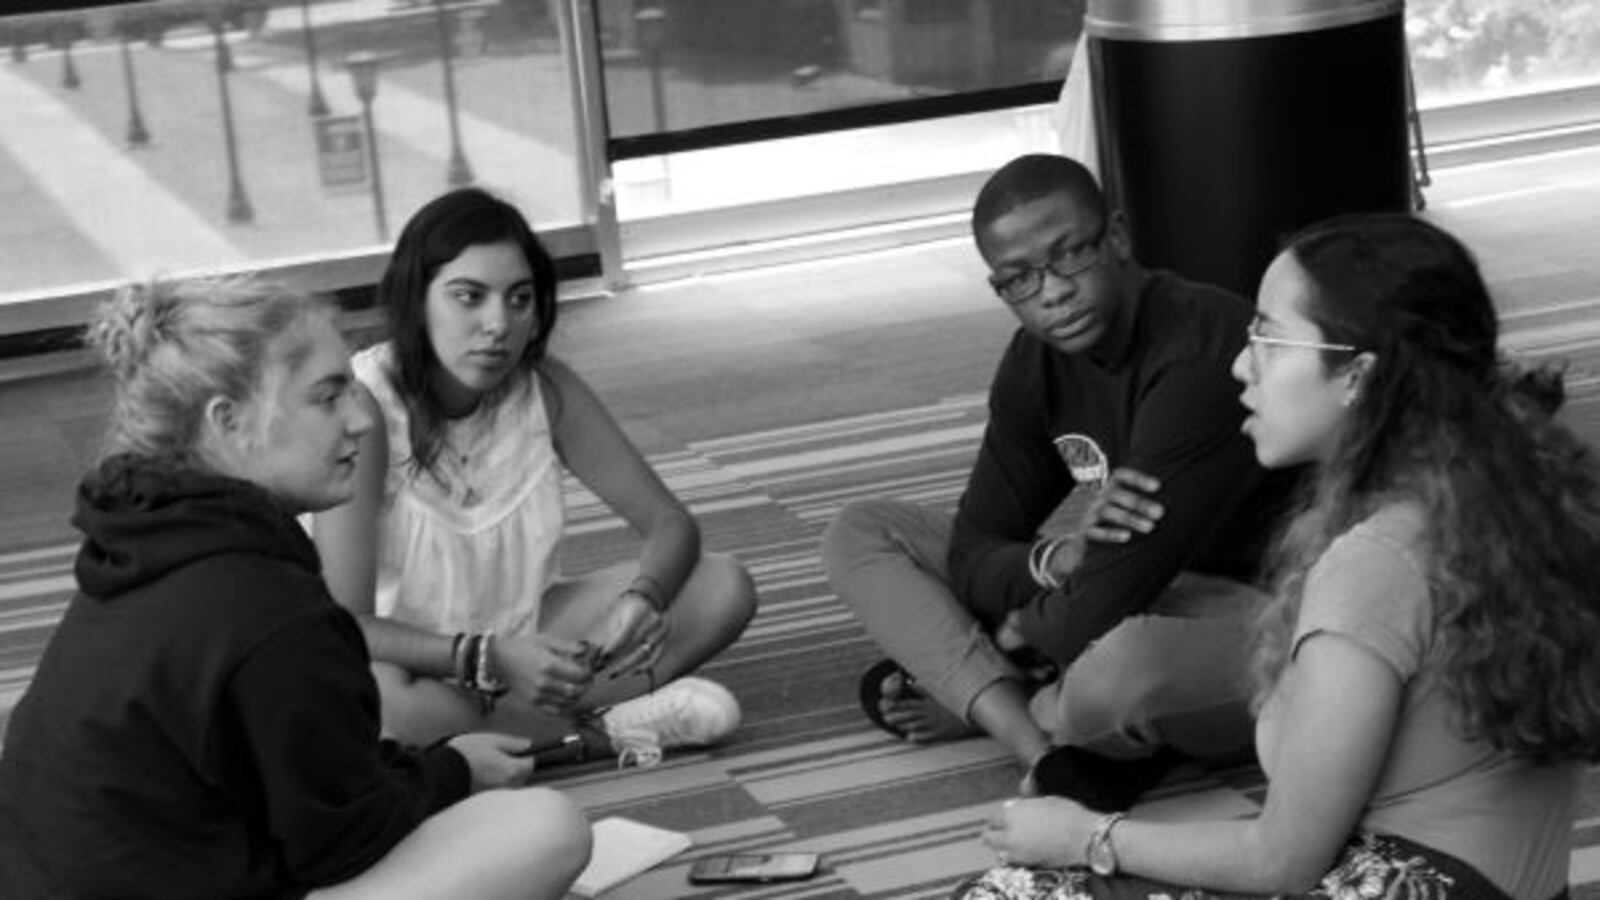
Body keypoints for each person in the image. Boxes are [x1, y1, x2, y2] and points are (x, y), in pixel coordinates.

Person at [959, 213, 1600, 900]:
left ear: (1357, 375)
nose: (1241, 363)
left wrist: (1087, 836)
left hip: (1404, 885)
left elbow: (1281, 863)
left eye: (1266, 336)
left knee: (1010, 888)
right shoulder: (1514, 494)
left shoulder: (1378, 560)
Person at [0, 277, 591, 900]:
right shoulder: (268, 608)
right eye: (328, 396)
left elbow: (281, 775)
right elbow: (343, 843)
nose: (362, 420)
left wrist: (434, 766)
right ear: (229, 422)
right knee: (545, 827)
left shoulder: (143, 551)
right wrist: (454, 772)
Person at [822, 153, 1302, 811]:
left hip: (1251, 614)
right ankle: (1041, 750)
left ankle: (991, 690)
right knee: (864, 533)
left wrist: (1014, 629)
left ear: (1119, 237)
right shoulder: (1035, 363)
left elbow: (1097, 608)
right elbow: (973, 551)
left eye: (1070, 256)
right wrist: (1054, 559)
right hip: (1109, 584)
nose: (1051, 293)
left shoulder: (1197, 355)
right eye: (1017, 280)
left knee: (1118, 671)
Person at [313, 188, 757, 766]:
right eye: (468, 297)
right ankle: (595, 734)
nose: (498, 324)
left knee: (722, 587)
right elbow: (342, 626)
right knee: (376, 703)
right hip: (407, 660)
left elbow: (670, 524)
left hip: (524, 636)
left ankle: (503, 733)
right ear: (416, 297)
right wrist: (487, 659)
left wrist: (641, 601)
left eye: (519, 299)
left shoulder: (545, 389)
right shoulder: (364, 408)